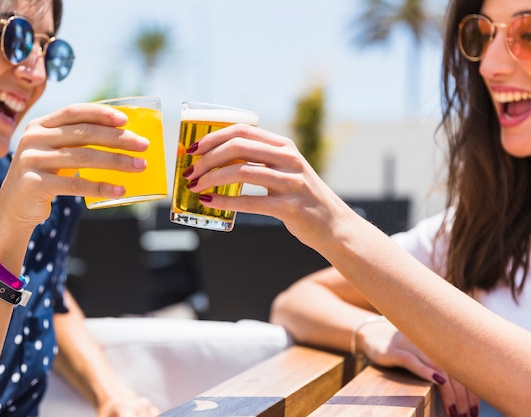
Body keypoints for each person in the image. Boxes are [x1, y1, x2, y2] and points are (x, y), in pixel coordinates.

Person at [180, 0, 531, 416]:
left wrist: (336, 226)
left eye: (526, 34)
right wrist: (377, 331)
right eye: (482, 36)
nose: (488, 66)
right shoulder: (479, 230)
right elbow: (295, 303)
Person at [0, 1, 159, 416]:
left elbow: (47, 299)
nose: (37, 75)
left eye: (50, 51)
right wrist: (2, 236)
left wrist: (111, 393)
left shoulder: (42, 207)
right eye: (14, 36)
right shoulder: (21, 210)